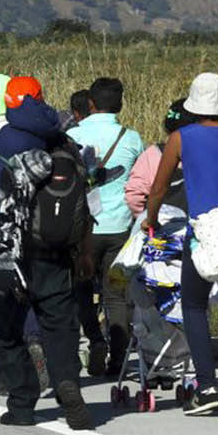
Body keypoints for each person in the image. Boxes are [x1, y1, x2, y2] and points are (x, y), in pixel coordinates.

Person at [0, 76, 93, 430]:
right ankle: (67, 382)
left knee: (10, 330)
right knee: (59, 327)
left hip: (8, 253)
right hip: (56, 252)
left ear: (8, 104)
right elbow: (85, 205)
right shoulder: (63, 141)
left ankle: (22, 405)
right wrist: (83, 252)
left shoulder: (3, 142)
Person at [145, 71, 218, 415]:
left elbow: (159, 187)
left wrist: (151, 217)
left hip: (203, 232)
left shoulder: (180, 138)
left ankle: (206, 386)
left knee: (193, 305)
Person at [68, 76, 143, 378]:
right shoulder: (132, 137)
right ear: (120, 104)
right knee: (116, 294)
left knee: (81, 291)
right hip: (119, 228)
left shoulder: (71, 134)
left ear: (90, 103)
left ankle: (95, 340)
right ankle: (119, 356)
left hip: (82, 230)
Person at [125, 99, 194, 216]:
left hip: (161, 227)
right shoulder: (208, 151)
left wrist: (146, 218)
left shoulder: (153, 153)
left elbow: (134, 196)